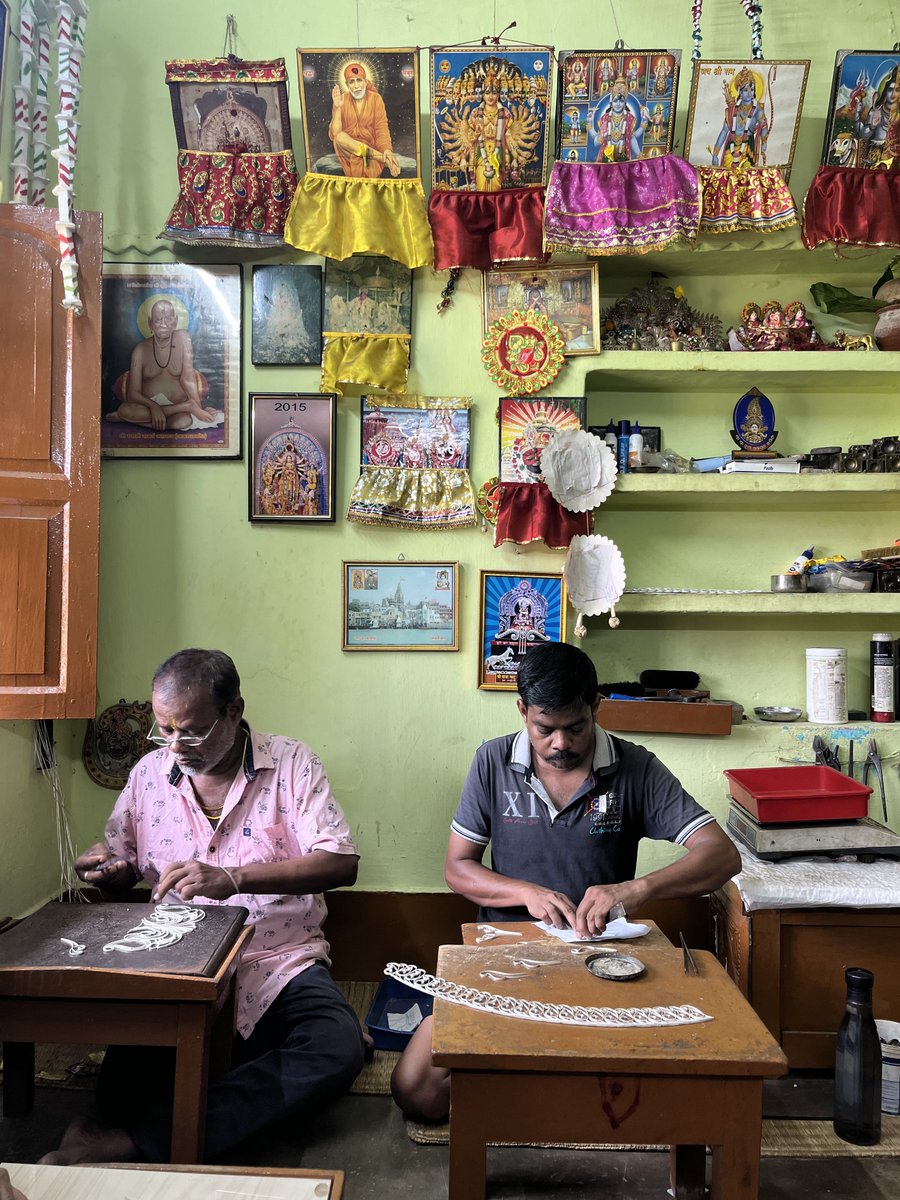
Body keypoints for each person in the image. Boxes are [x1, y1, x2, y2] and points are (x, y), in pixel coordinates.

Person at [390, 641, 741, 1122]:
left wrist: (634, 890)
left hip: (601, 961)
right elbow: (458, 869)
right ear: (522, 711)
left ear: (596, 708)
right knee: (417, 1090)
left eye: (575, 727)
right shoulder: (493, 763)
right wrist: (525, 893)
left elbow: (721, 855)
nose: (560, 743)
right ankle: (535, 1086)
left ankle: (534, 1088)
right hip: (502, 958)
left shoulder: (634, 767)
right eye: (544, 729)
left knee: (666, 1086)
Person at [40, 648, 364, 1165]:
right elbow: (122, 865)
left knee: (335, 1049)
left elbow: (341, 863)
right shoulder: (149, 774)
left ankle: (131, 1143)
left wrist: (233, 877)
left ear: (234, 711)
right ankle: (204, 1103)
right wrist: (112, 870)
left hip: (274, 961)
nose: (175, 746)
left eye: (190, 731)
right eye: (163, 730)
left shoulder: (291, 764)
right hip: (174, 967)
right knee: (120, 1092)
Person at [107, 299, 221, 432]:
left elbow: (188, 378)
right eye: (158, 320)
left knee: (184, 421)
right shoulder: (141, 350)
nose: (163, 324)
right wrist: (154, 407)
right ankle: (185, 407)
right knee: (125, 409)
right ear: (150, 323)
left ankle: (130, 419)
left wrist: (198, 407)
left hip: (177, 406)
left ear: (176, 321)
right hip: (149, 407)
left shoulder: (184, 339)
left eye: (168, 319)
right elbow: (133, 394)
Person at [329, 62, 400, 178]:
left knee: (360, 155)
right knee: (340, 137)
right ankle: (381, 158)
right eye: (352, 82)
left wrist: (387, 150)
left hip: (371, 147)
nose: (356, 86)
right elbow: (335, 133)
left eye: (359, 80)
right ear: (347, 85)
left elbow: (381, 128)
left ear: (365, 82)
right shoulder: (342, 100)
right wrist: (337, 107)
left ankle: (375, 155)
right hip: (349, 147)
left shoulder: (375, 99)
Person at [711, 67, 768, 167]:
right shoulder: (732, 110)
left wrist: (764, 142)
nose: (750, 93)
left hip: (747, 148)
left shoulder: (757, 109)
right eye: (746, 90)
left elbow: (764, 126)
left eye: (752, 89)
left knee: (745, 179)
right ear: (740, 92)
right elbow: (724, 131)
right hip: (731, 147)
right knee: (727, 177)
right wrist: (715, 153)